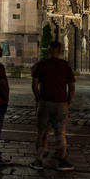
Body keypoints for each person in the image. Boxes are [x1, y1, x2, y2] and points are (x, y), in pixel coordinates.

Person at [30, 41, 75, 171]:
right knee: (60, 132)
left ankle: (38, 161)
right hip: (60, 103)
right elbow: (71, 87)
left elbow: (34, 84)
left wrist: (38, 98)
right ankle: (62, 162)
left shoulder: (41, 65)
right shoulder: (65, 66)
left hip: (44, 102)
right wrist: (68, 101)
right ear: (60, 51)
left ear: (49, 50)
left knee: (41, 132)